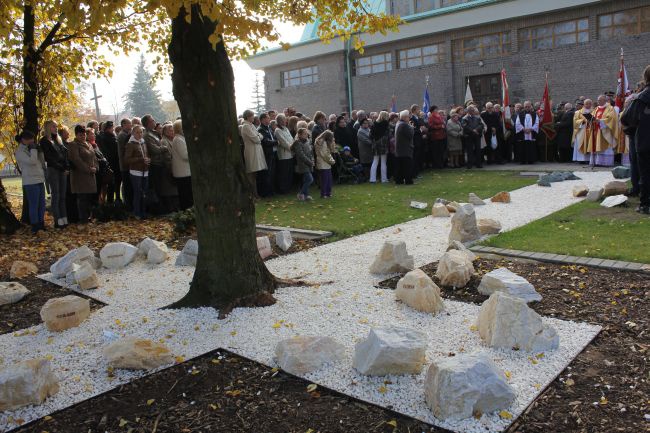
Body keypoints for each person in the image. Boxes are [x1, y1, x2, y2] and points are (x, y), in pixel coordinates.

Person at [622, 65, 650, 214]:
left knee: (645, 173)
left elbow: (627, 118)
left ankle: (646, 204)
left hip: (645, 141)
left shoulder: (642, 97)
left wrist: (632, 132)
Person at [143, 114, 177, 213]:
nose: (154, 121)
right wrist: (165, 148)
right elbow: (155, 150)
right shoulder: (147, 135)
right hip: (155, 164)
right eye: (152, 120)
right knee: (156, 188)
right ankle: (158, 209)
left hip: (160, 163)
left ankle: (163, 207)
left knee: (161, 187)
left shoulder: (153, 133)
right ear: (148, 123)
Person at [15, 130, 46, 233]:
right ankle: (35, 225)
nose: (33, 141)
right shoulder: (19, 152)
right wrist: (33, 150)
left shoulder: (31, 148)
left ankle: (41, 223)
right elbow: (32, 162)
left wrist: (39, 151)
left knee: (42, 204)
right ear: (24, 140)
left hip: (39, 178)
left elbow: (40, 162)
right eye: (30, 139)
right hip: (30, 181)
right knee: (34, 204)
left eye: (33, 139)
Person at [40, 120, 69, 228]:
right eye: (53, 126)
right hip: (53, 170)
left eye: (56, 126)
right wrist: (62, 168)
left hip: (62, 170)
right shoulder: (44, 141)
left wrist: (66, 166)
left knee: (62, 196)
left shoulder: (58, 139)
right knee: (56, 195)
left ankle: (64, 219)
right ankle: (58, 221)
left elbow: (64, 154)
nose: (56, 128)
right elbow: (49, 158)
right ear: (48, 127)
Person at [68, 124, 97, 223]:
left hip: (90, 175)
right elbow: (77, 160)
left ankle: (89, 217)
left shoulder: (89, 144)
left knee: (89, 198)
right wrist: (89, 169)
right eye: (80, 135)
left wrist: (96, 168)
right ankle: (83, 219)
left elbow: (94, 158)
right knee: (82, 199)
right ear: (76, 135)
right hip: (80, 177)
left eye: (84, 134)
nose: (83, 136)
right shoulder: (73, 145)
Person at [123, 125, 150, 219]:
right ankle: (137, 212)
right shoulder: (131, 144)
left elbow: (146, 155)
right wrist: (140, 159)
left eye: (141, 132)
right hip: (135, 172)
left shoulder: (143, 142)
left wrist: (147, 160)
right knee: (138, 192)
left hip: (145, 171)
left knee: (144, 192)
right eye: (137, 132)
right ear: (133, 133)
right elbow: (126, 160)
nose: (139, 134)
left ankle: (143, 212)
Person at [240, 109, 266, 198]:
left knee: (254, 175)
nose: (253, 118)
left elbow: (260, 136)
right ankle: (252, 195)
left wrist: (258, 136)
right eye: (252, 116)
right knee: (251, 174)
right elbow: (256, 139)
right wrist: (258, 137)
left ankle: (255, 194)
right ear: (248, 117)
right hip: (251, 151)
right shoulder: (246, 126)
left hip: (256, 150)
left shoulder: (252, 125)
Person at [170, 120, 192, 210]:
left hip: (185, 172)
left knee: (187, 194)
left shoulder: (180, 138)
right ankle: (186, 212)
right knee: (185, 195)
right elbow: (185, 155)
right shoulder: (178, 139)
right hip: (183, 173)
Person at [590, 95, 619, 167]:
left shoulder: (610, 108)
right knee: (596, 145)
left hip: (605, 130)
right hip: (596, 130)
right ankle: (597, 162)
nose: (598, 102)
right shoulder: (596, 108)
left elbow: (611, 119)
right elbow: (592, 116)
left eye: (600, 100)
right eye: (598, 100)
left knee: (606, 147)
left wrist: (600, 121)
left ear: (604, 100)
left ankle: (606, 163)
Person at [98, 121, 121, 204]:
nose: (113, 129)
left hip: (113, 163)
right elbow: (109, 152)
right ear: (108, 128)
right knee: (112, 184)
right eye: (111, 128)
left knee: (115, 184)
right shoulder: (106, 138)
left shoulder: (110, 136)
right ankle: (110, 202)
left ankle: (115, 200)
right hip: (112, 164)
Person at [87, 128, 112, 205]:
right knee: (95, 193)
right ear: (87, 136)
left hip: (102, 171)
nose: (94, 135)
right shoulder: (88, 145)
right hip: (95, 172)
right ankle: (95, 209)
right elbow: (94, 158)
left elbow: (100, 155)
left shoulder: (95, 144)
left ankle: (102, 203)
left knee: (103, 188)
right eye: (92, 134)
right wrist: (103, 160)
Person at [258, 112, 278, 197]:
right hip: (267, 154)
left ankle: (271, 191)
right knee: (267, 174)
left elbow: (273, 137)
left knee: (272, 173)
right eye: (267, 118)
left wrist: (275, 141)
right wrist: (276, 142)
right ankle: (266, 192)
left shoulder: (268, 128)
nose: (269, 119)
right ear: (263, 119)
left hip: (273, 153)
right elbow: (265, 141)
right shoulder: (260, 129)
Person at [292, 128, 314, 201]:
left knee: (306, 180)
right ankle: (301, 193)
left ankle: (306, 195)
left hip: (309, 163)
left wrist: (312, 160)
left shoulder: (307, 142)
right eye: (304, 134)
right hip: (303, 164)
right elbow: (301, 155)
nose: (306, 135)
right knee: (310, 179)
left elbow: (310, 152)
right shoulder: (297, 143)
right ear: (299, 135)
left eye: (306, 133)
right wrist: (309, 162)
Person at [274, 114, 294, 194]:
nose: (285, 121)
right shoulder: (277, 130)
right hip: (283, 155)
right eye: (283, 120)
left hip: (290, 154)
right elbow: (283, 142)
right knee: (284, 173)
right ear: (279, 121)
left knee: (289, 172)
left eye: (285, 119)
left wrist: (293, 146)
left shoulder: (286, 128)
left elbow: (291, 139)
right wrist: (292, 148)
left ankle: (288, 188)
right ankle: (283, 189)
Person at [117, 118, 133, 209]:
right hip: (125, 165)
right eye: (129, 124)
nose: (130, 125)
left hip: (126, 164)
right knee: (127, 187)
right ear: (123, 125)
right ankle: (128, 206)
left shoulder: (126, 134)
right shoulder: (122, 135)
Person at [394, 110, 414, 185]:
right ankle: (408, 181)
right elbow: (410, 135)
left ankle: (399, 180)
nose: (409, 118)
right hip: (405, 149)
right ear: (405, 117)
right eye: (408, 117)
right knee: (407, 167)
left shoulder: (398, 123)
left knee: (400, 167)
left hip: (400, 149)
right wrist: (411, 127)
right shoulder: (404, 125)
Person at [314, 130, 336, 198]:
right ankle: (324, 193)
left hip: (325, 163)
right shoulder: (322, 143)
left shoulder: (321, 141)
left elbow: (331, 150)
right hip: (323, 163)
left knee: (328, 179)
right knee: (325, 179)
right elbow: (325, 154)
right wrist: (332, 161)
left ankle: (327, 193)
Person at [369, 111, 389, 183]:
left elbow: (370, 135)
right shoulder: (386, 124)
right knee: (383, 162)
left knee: (375, 161)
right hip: (383, 144)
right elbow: (388, 134)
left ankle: (372, 179)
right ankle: (384, 179)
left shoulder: (374, 124)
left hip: (375, 144)